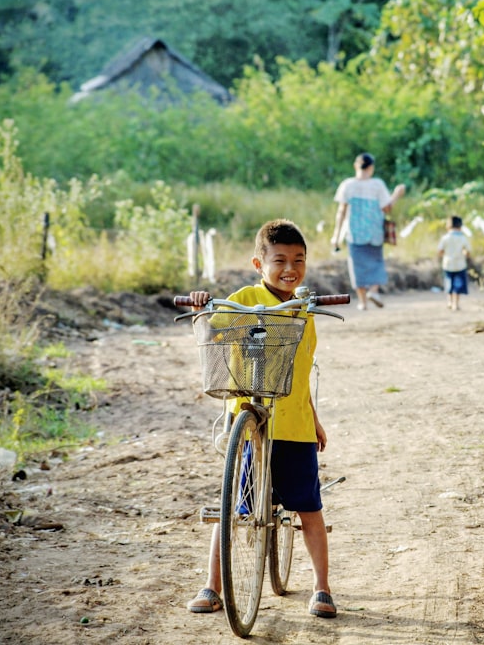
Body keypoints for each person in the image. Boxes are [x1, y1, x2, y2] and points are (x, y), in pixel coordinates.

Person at [185, 219, 338, 619]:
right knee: (233, 505)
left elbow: (299, 371)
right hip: (251, 425)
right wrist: (204, 307)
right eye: (280, 260)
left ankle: (322, 586)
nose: (291, 268)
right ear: (259, 262)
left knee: (308, 508)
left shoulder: (303, 308)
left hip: (294, 426)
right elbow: (213, 330)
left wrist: (315, 418)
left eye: (299, 260)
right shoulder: (244, 297)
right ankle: (212, 585)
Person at [330, 152, 406, 311]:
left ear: (355, 166)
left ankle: (363, 302)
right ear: (371, 168)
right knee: (376, 263)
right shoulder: (377, 185)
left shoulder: (347, 185)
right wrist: (397, 195)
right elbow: (387, 208)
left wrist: (336, 236)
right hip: (374, 232)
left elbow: (341, 212)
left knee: (357, 266)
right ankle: (374, 291)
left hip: (354, 233)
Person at [437, 215, 472, 311]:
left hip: (447, 263)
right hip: (460, 264)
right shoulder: (463, 238)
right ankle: (455, 304)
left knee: (449, 283)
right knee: (458, 285)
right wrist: (464, 254)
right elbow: (468, 251)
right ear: (460, 226)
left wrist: (445, 254)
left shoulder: (445, 238)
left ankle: (449, 301)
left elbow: (440, 251)